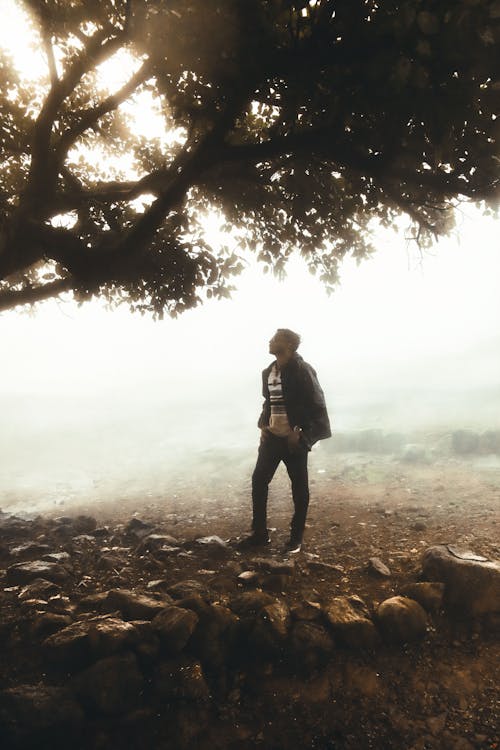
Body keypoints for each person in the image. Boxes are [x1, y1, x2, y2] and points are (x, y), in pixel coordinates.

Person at [240, 328, 331, 554]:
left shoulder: (303, 370)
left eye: (275, 338)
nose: (269, 340)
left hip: (294, 441)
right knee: (258, 481)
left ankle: (295, 539)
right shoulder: (268, 372)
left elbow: (317, 405)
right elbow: (269, 402)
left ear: (288, 346)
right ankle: (260, 535)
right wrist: (263, 425)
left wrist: (301, 432)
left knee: (299, 490)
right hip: (271, 439)